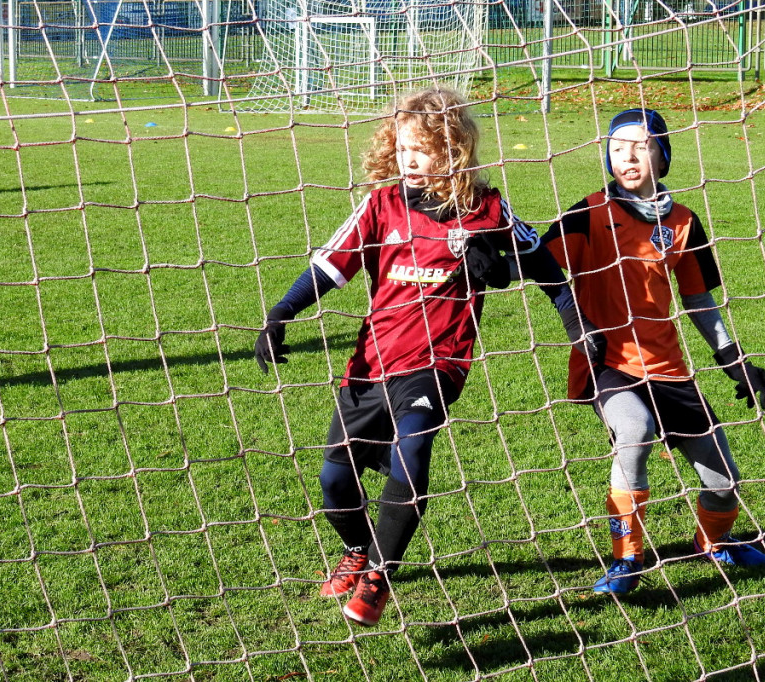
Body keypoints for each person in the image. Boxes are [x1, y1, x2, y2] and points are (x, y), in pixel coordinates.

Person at [254, 85, 604, 626]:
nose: (408, 159)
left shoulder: (488, 209)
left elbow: (546, 270)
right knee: (334, 482)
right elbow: (330, 266)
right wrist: (281, 313)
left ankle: (379, 578)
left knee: (412, 452)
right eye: (401, 147)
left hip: (440, 362)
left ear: (454, 148)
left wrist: (576, 326)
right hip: (371, 364)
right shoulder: (381, 204)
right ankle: (358, 550)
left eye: (421, 147)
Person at [540, 109, 765, 595]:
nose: (627, 154)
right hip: (607, 362)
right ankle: (626, 560)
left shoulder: (684, 222)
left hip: (668, 369)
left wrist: (735, 361)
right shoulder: (588, 212)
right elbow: (539, 262)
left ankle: (715, 541)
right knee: (634, 428)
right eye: (618, 145)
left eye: (641, 145)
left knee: (723, 481)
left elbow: (698, 300)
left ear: (662, 155)